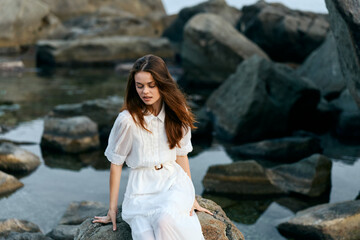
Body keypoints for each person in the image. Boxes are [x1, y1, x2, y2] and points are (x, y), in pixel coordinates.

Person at [92, 54, 212, 239]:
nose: (145, 91)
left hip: (172, 182)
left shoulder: (178, 112)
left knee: (165, 222)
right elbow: (116, 164)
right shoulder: (127, 120)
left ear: (163, 84)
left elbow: (181, 155)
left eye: (151, 85)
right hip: (141, 188)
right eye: (139, 86)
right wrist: (112, 210)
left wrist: (191, 196)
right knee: (145, 236)